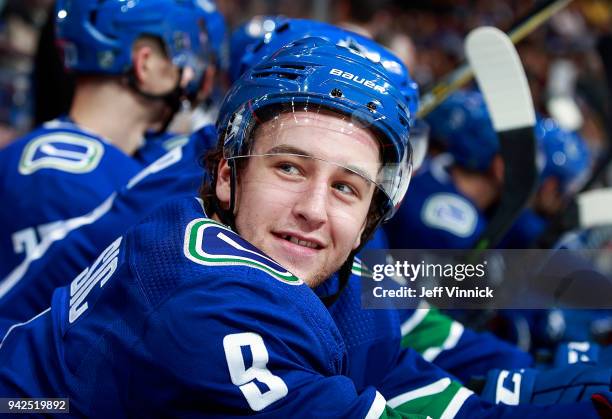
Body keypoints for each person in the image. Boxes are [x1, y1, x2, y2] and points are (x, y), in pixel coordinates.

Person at [0, 36, 608, 418]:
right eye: (290, 167)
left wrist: (558, 373)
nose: (315, 207)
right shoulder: (212, 293)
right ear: (228, 170)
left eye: (346, 185)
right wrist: (558, 313)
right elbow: (453, 294)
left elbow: (408, 350)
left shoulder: (310, 249)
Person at [0, 0, 221, 280]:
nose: (188, 74)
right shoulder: (72, 182)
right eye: (179, 55)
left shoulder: (24, 153)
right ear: (144, 63)